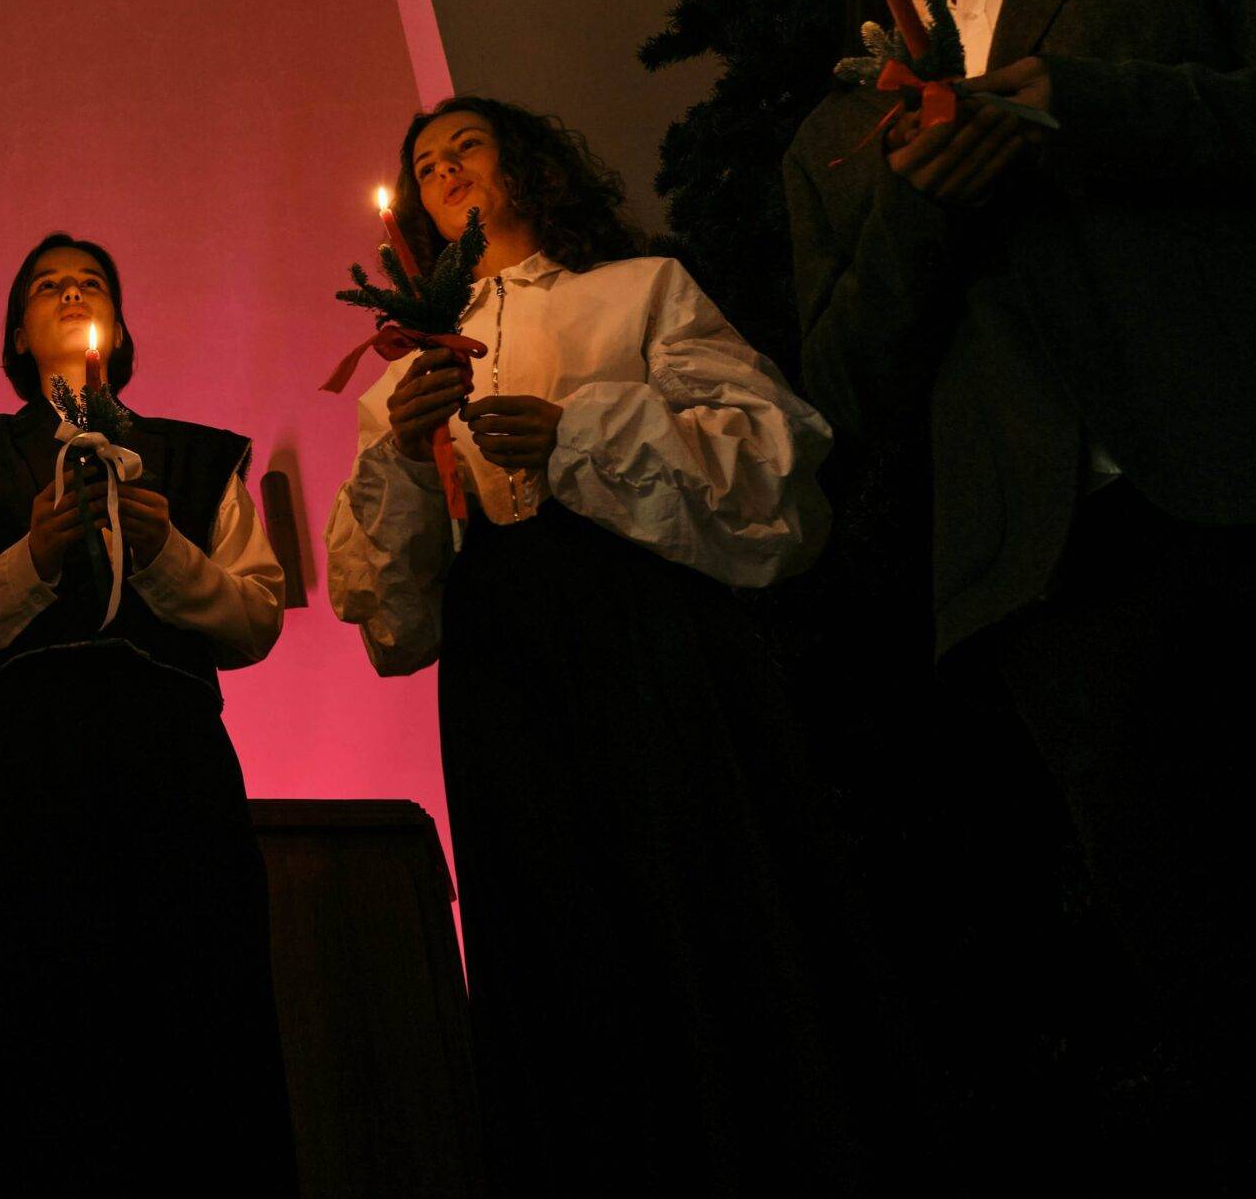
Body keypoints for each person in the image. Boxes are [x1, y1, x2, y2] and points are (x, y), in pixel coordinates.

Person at [789, 0, 1256, 1171]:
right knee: (1220, 969)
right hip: (1057, 585)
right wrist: (920, 205)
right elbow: (842, 381)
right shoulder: (834, 140)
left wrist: (1091, 103)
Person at [327, 98, 876, 1192]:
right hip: (504, 670)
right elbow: (393, 613)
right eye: (423, 164)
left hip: (645, 633)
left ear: (528, 166)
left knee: (692, 895)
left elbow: (771, 460)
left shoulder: (637, 292)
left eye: (466, 145)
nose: (443, 168)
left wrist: (576, 429)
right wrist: (404, 455)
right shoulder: (398, 383)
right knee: (557, 931)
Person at [0, 234, 299, 1195]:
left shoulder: (198, 458)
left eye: (91, 283)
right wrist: (27, 560)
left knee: (206, 1035)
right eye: (47, 286)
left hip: (179, 770)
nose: (70, 293)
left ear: (119, 324)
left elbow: (255, 619)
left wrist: (167, 555)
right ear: (17, 336)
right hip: (32, 771)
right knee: (43, 1039)